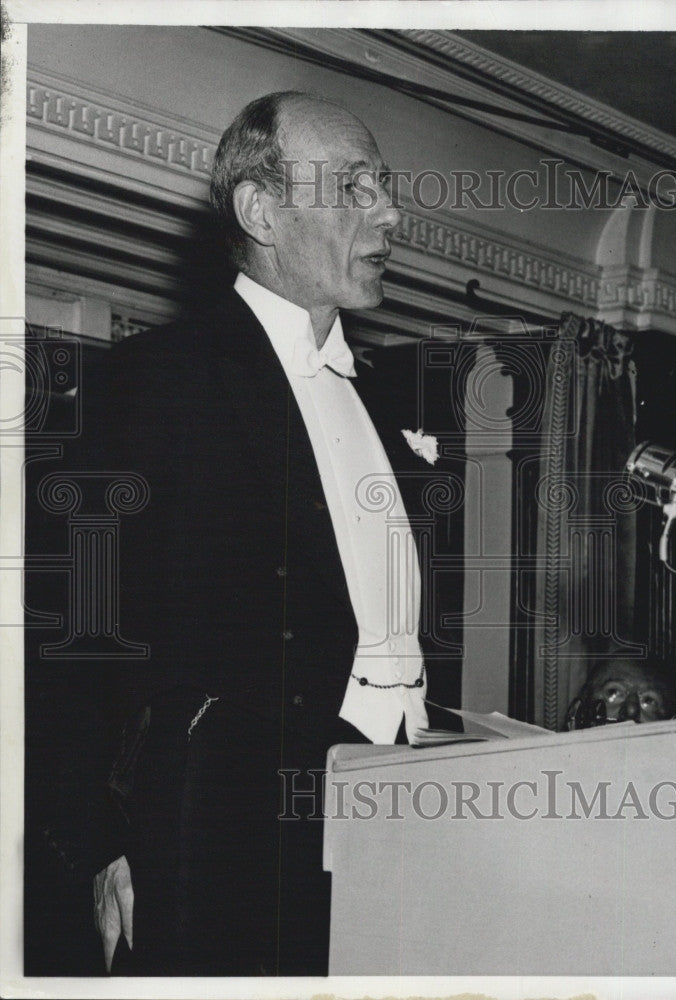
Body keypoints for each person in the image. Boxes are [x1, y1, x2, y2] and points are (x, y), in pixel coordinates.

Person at [91, 91, 435, 976]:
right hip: (224, 840)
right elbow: (78, 633)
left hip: (399, 821)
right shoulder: (158, 380)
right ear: (260, 211)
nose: (391, 213)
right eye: (355, 187)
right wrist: (104, 840)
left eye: (385, 186)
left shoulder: (387, 400)